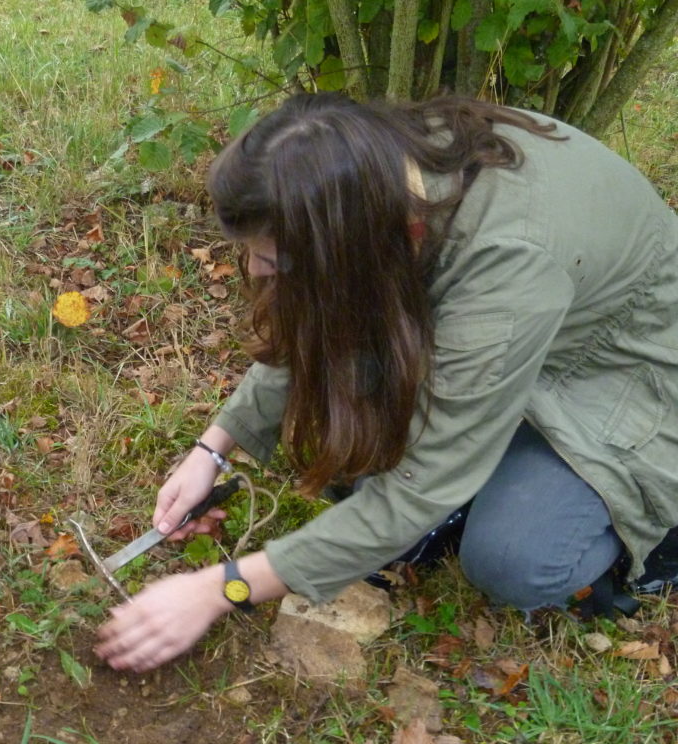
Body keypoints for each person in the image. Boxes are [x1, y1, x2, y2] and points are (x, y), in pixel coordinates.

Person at [94, 93, 678, 674]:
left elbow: (421, 484)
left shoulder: (509, 263)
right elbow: (324, 305)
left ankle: (656, 545)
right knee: (348, 462)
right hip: (529, 332)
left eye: (274, 260)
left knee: (514, 561)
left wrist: (221, 589)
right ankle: (492, 465)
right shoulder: (371, 165)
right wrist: (213, 448)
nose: (254, 271)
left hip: (622, 373)